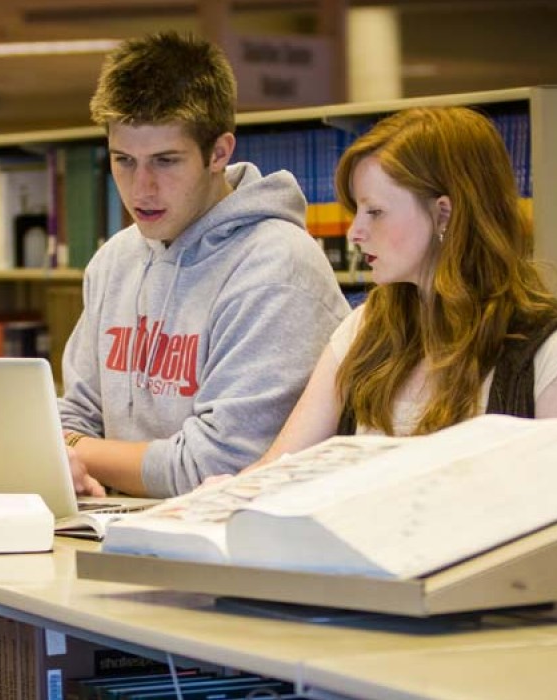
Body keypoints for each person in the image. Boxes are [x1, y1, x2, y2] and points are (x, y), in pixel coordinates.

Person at [58, 31, 351, 499]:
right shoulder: (114, 260)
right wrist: (69, 444)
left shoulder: (278, 269)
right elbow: (73, 417)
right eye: (124, 161)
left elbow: (211, 468)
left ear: (219, 152)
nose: (141, 188)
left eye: (165, 161)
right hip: (113, 527)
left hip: (232, 545)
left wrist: (75, 452)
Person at [245, 106, 557, 472]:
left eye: (374, 212)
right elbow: (277, 468)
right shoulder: (363, 329)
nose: (354, 232)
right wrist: (229, 491)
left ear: (444, 214)